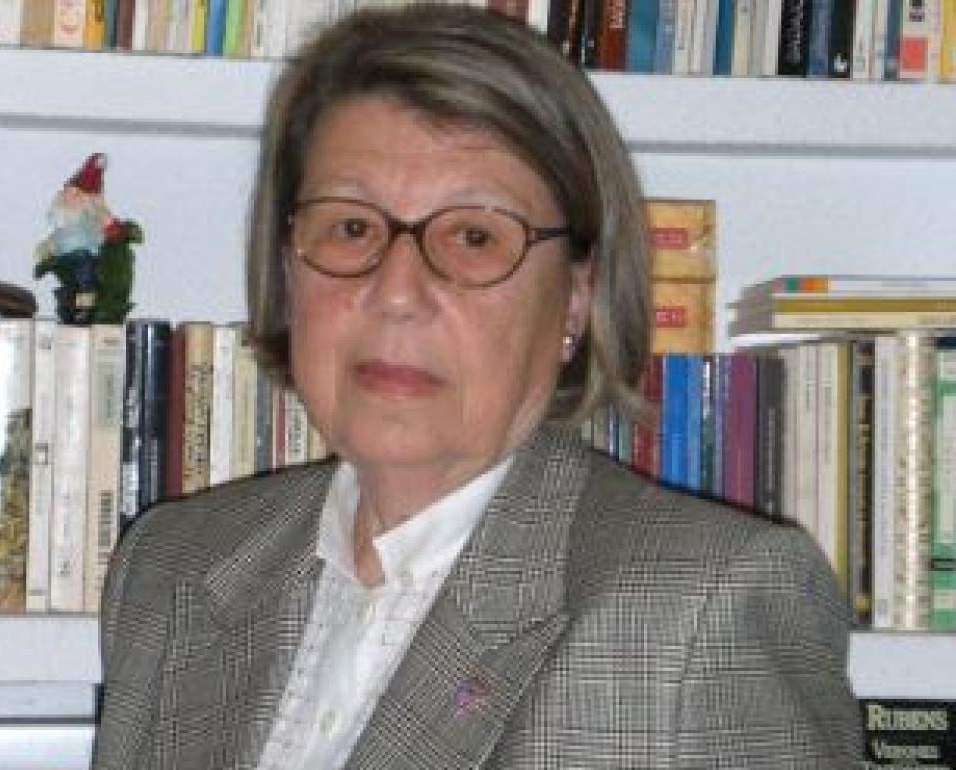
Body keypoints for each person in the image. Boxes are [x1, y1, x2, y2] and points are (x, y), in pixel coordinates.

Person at [92, 5, 862, 768]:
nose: (396, 292)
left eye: (474, 237)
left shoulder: (702, 610)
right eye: (352, 227)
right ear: (288, 270)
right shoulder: (171, 568)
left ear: (576, 298)